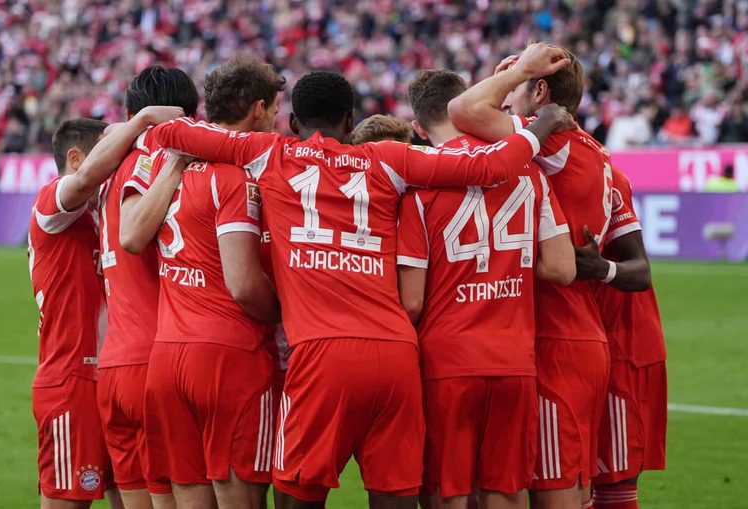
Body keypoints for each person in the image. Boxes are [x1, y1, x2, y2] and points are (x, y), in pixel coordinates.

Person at [121, 67, 576, 509]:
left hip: (320, 356)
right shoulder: (389, 159)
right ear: (352, 120)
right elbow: (489, 165)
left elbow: (170, 135)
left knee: (297, 495)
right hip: (395, 356)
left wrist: (148, 122)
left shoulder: (270, 154)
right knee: (395, 495)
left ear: (294, 122)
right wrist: (542, 126)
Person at [448, 42, 614, 509]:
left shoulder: (550, 139)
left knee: (549, 490)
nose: (504, 101)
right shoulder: (593, 150)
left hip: (554, 335)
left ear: (540, 91)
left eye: (516, 88)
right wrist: (510, 74)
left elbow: (462, 109)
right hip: (582, 333)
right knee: (577, 489)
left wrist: (519, 69)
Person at [399, 69, 575, 509]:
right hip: (514, 358)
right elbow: (561, 267)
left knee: (447, 492)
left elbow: (413, 300)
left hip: (447, 361)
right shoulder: (531, 173)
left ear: (419, 127)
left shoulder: (420, 185)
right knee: (506, 490)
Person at [120, 57, 286, 509]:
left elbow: (130, 235)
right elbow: (243, 285)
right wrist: (288, 313)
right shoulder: (237, 176)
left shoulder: (162, 163)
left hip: (168, 355)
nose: (277, 119)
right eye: (274, 109)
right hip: (230, 357)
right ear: (257, 109)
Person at [28, 107, 181, 509]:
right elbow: (85, 179)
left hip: (114, 375)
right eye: (109, 151)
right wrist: (140, 120)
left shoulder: (108, 216)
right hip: (71, 382)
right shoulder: (52, 204)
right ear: (77, 157)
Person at [94, 65, 199, 509]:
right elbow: (133, 237)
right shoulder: (148, 162)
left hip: (115, 363)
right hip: (155, 361)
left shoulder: (107, 170)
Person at [574, 167, 667, 509]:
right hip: (575, 346)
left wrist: (603, 269)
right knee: (570, 481)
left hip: (622, 348)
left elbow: (640, 270)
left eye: (508, 106)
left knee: (612, 485)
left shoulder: (604, 175)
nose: (504, 110)